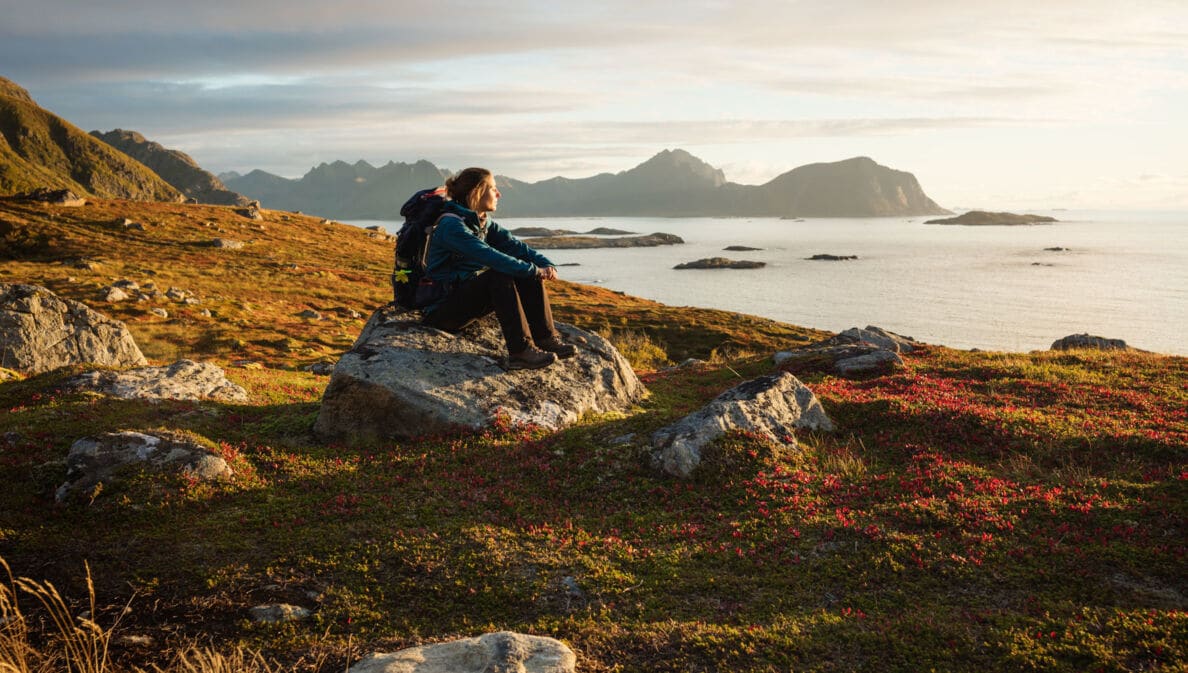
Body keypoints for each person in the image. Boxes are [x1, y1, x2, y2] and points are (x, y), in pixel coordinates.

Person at [419, 167, 576, 370]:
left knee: (526, 274)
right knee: (500, 275)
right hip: (441, 311)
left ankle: (545, 338)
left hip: (464, 299)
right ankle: (521, 352)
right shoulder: (452, 226)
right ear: (476, 192)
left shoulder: (482, 222)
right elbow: (491, 256)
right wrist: (533, 270)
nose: (499, 194)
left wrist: (545, 264)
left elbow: (516, 247)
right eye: (493, 189)